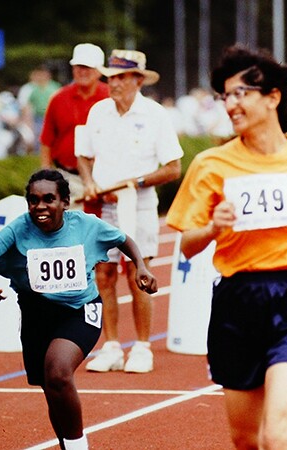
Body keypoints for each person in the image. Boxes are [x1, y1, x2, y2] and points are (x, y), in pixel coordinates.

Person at [164, 44, 287, 450]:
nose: (231, 104)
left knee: (275, 436)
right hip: (236, 303)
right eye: (226, 96)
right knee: (247, 440)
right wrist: (213, 228)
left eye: (241, 93)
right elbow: (186, 245)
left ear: (272, 97)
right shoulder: (210, 164)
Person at [0, 169, 158, 450]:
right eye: (34, 200)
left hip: (81, 309)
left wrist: (141, 266)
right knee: (53, 390)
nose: (40, 207)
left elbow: (123, 239)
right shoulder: (17, 230)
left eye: (49, 199)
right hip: (36, 316)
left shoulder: (86, 225)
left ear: (65, 202)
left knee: (58, 373)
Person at [76, 49, 183, 374]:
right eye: (111, 77)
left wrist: (134, 182)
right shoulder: (98, 112)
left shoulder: (155, 115)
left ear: (138, 80)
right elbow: (83, 155)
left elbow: (173, 168)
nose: (114, 83)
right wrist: (89, 182)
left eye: (121, 77)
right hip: (106, 206)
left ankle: (142, 346)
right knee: (104, 275)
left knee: (140, 273)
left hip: (139, 205)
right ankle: (110, 346)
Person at [39, 43, 109, 210]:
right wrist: (45, 178)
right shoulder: (58, 98)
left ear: (99, 70)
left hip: (105, 178)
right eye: (79, 67)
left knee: (106, 230)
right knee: (70, 230)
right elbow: (46, 141)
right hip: (68, 177)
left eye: (88, 67)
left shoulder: (110, 98)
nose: (82, 71)